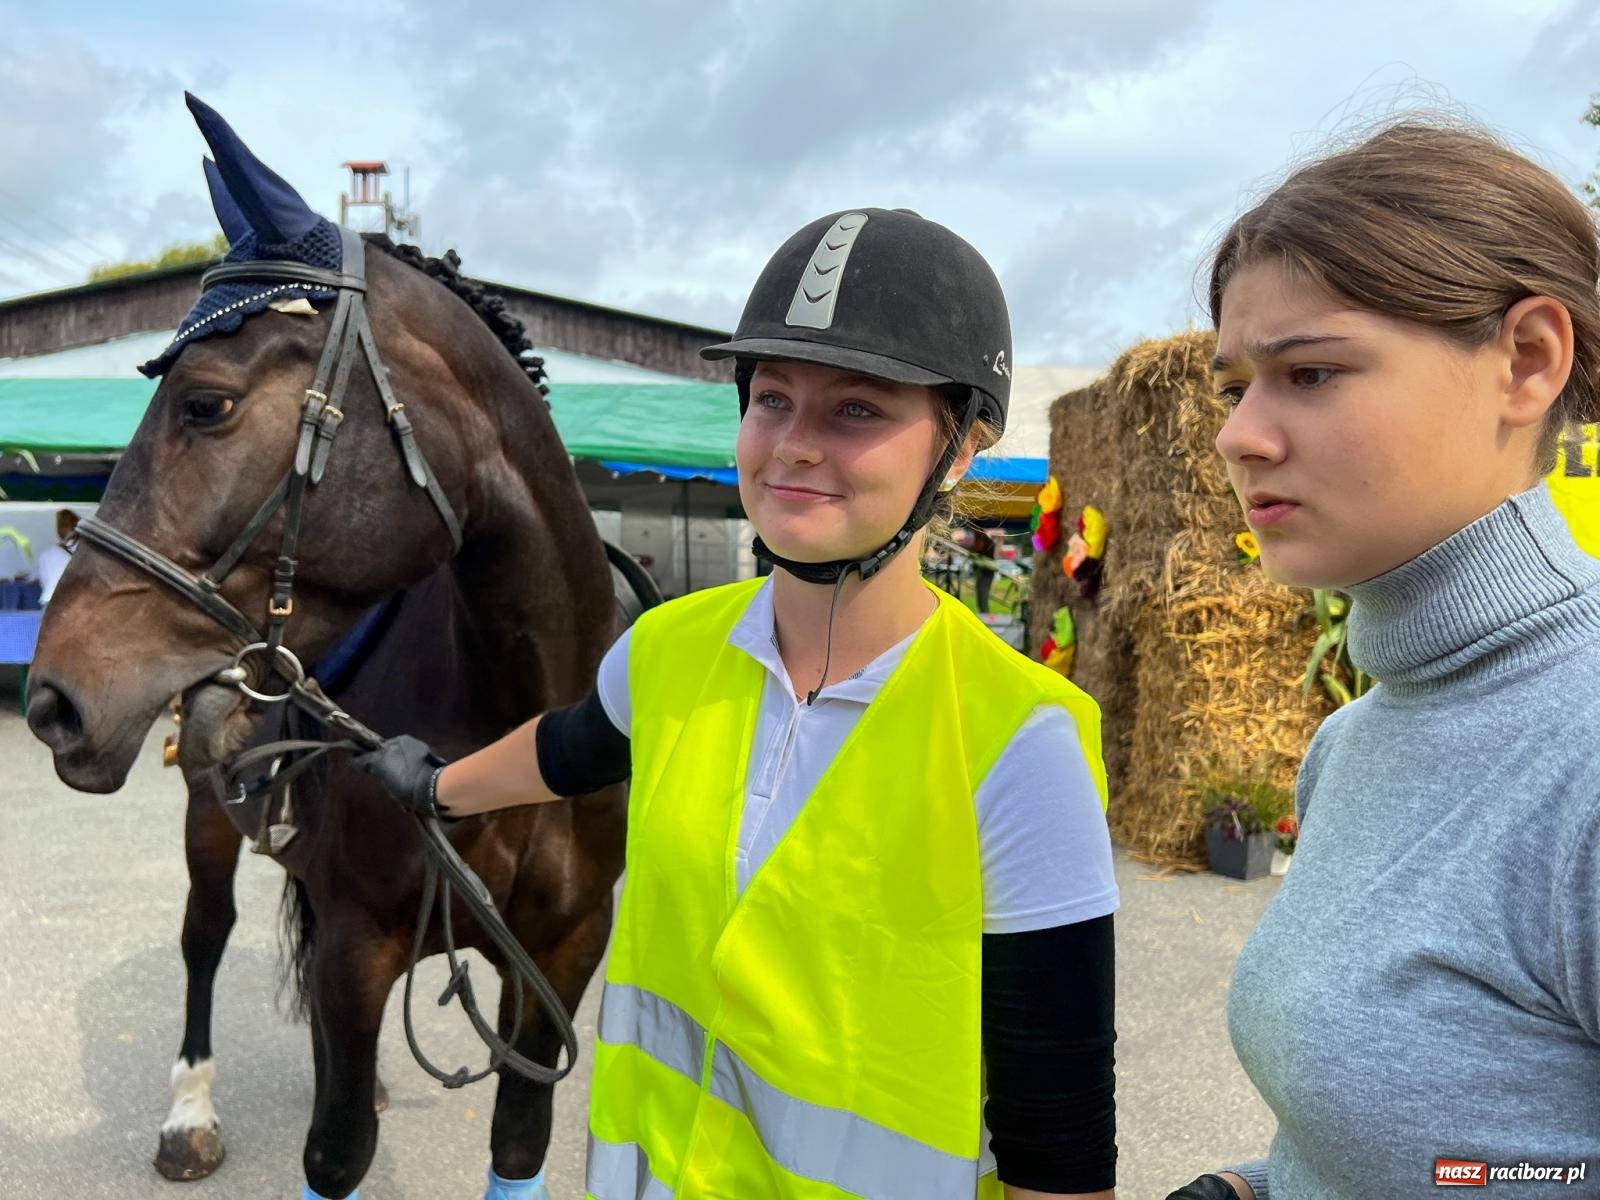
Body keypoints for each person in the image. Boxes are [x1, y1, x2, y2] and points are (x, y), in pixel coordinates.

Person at [360, 209, 1120, 1200]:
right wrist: (436, 787)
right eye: (771, 399)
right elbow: (573, 748)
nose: (792, 445)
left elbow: (1054, 1141)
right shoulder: (670, 647)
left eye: (855, 409)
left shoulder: (1021, 740)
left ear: (962, 446)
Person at [1165, 121, 1600, 1200]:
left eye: (1308, 372)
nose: (1238, 436)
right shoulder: (1351, 741)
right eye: (1233, 387)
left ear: (1528, 361)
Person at [37, 508, 79, 604]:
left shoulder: (46, 554)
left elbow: (44, 582)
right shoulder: (86, 553)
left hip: (49, 600)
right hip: (74, 602)